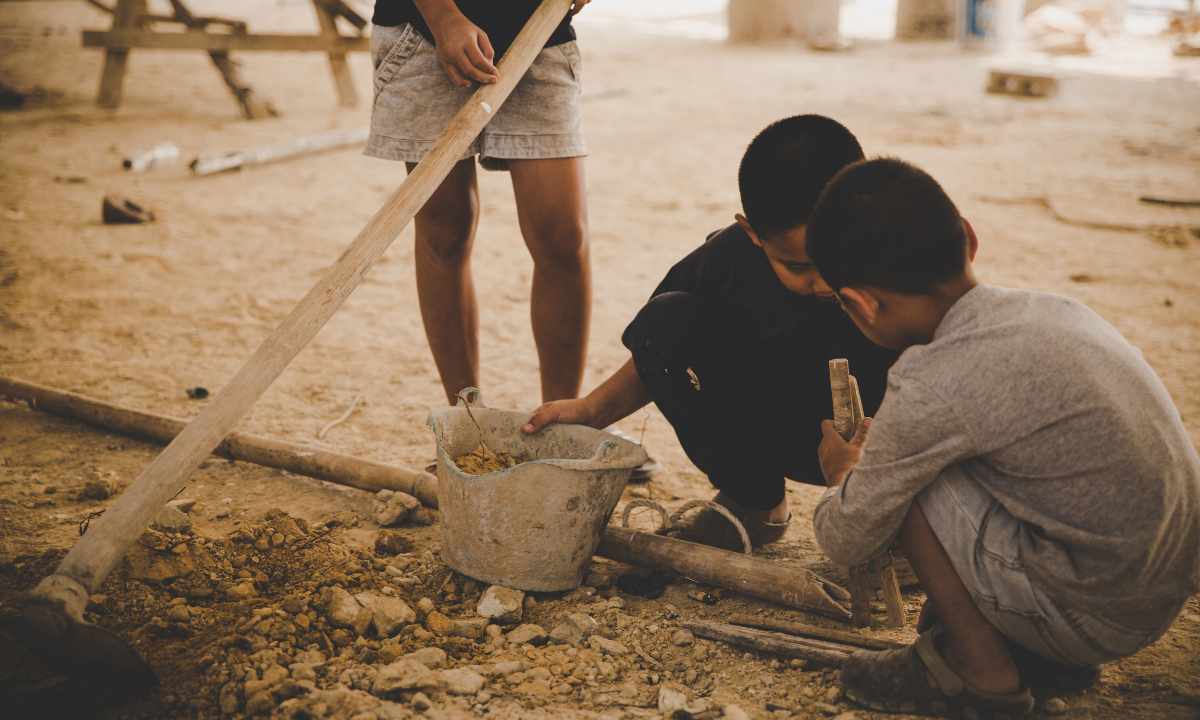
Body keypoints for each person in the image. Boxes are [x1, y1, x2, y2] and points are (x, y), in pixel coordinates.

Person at [807, 158, 1200, 717]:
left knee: (916, 481)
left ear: (863, 302)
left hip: (1096, 614)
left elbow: (846, 536)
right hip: (1156, 591)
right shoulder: (1056, 310)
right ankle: (1032, 652)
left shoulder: (931, 382)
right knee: (954, 458)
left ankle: (982, 676)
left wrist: (845, 471)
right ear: (968, 237)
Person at [524, 115, 897, 550]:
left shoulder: (900, 260)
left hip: (887, 446)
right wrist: (591, 411)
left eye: (834, 258)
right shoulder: (729, 258)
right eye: (798, 267)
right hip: (792, 432)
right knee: (665, 319)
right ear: (752, 233)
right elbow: (660, 341)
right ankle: (754, 504)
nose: (822, 281)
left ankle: (903, 526)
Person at [367, 0, 593, 403]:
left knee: (563, 236)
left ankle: (562, 422)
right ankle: (466, 418)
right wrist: (443, 18)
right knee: (445, 230)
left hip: (539, 28)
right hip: (422, 31)